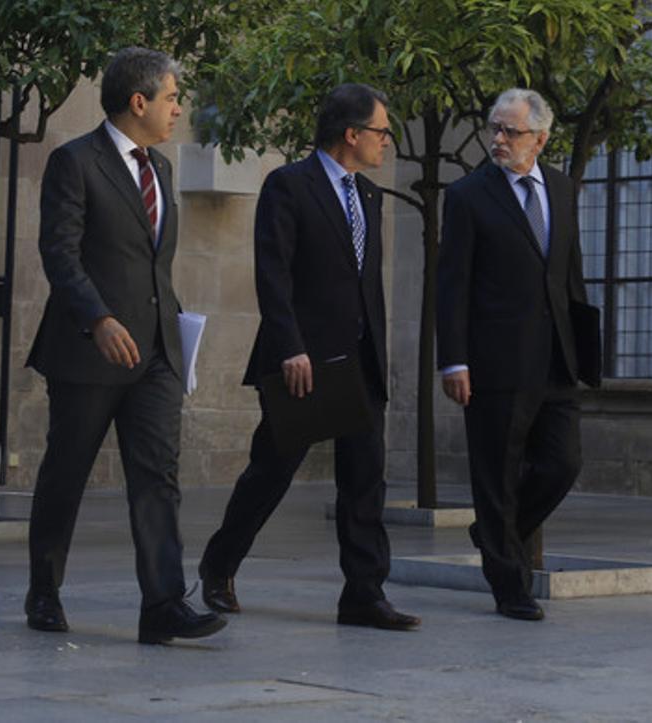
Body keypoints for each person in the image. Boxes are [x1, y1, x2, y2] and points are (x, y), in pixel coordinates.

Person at [198, 83, 420, 631]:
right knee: (270, 473)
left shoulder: (369, 196)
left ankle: (364, 595)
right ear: (351, 134)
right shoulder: (288, 186)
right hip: (303, 363)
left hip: (359, 365)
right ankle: (218, 565)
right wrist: (290, 347)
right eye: (381, 131)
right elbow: (272, 274)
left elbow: (366, 287)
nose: (386, 142)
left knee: (365, 479)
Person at [24, 47, 225, 644]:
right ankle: (44, 590)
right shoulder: (75, 162)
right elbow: (59, 252)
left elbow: (152, 263)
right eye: (170, 98)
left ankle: (163, 604)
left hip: (157, 355)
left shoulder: (160, 170)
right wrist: (99, 318)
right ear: (138, 102)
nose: (177, 109)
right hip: (89, 352)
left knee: (158, 477)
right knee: (67, 472)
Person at [437, 88, 599, 621]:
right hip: (494, 361)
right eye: (495, 129)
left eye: (511, 131)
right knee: (496, 474)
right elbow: (452, 284)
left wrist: (584, 349)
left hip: (557, 358)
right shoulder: (467, 196)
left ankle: (493, 532)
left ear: (541, 139)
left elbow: (569, 274)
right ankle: (510, 587)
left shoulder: (561, 188)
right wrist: (453, 359)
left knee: (563, 462)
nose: (499, 139)